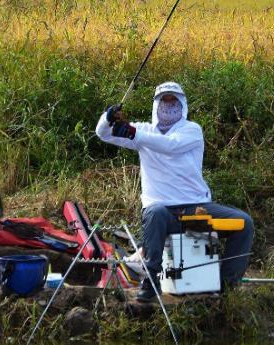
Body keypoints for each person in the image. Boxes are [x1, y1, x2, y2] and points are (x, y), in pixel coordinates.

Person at [95, 81, 253, 302]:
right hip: (163, 212)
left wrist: (132, 133)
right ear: (156, 105)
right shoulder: (143, 131)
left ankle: (227, 286)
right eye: (164, 101)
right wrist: (108, 117)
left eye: (174, 101)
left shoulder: (192, 130)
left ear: (182, 105)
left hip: (197, 206)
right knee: (155, 212)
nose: (169, 107)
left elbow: (170, 146)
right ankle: (151, 282)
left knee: (244, 223)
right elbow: (103, 134)